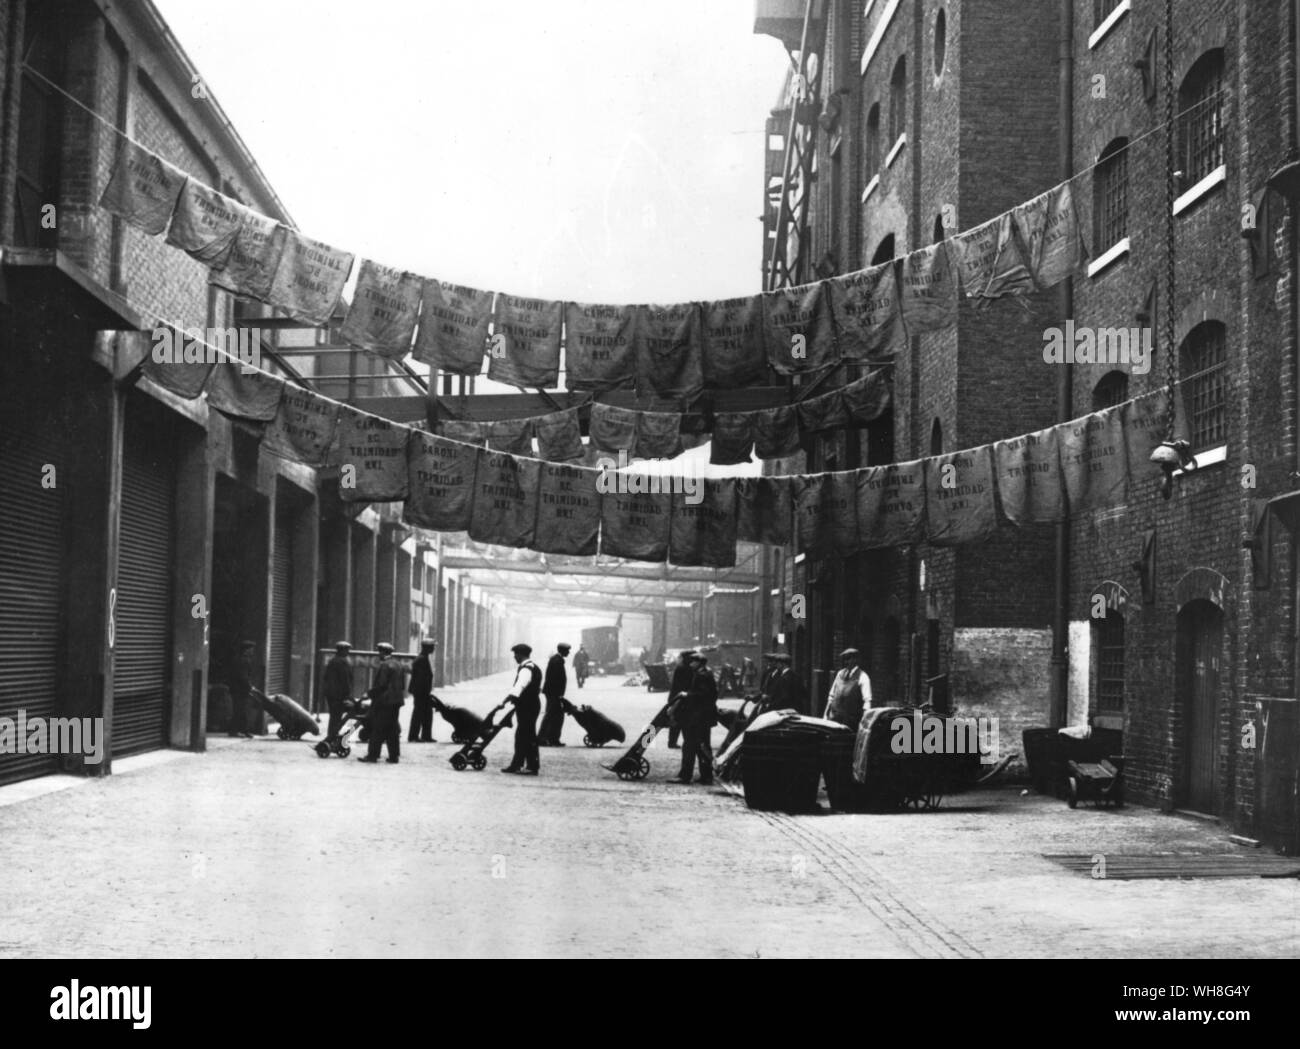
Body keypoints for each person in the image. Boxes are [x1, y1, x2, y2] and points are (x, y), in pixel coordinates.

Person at [670, 652, 717, 785]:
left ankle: (685, 776)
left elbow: (703, 694)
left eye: (693, 662)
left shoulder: (702, 675)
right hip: (704, 717)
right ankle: (706, 776)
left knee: (689, 745)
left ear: (699, 662)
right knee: (703, 746)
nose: (690, 664)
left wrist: (687, 694)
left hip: (698, 717)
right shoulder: (706, 673)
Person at [358, 642, 405, 763]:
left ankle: (373, 755)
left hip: (385, 702)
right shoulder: (398, 664)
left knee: (377, 728)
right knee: (392, 729)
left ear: (384, 652)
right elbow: (402, 685)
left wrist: (368, 694)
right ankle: (394, 756)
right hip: (396, 702)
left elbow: (382, 685)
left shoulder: (384, 666)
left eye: (380, 651)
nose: (379, 654)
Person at [501, 643, 543, 776]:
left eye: (515, 654)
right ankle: (525, 765)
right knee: (527, 735)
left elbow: (520, 686)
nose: (514, 657)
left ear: (521, 654)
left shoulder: (526, 669)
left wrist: (506, 700)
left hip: (527, 706)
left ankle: (524, 765)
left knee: (523, 735)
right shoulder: (534, 667)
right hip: (531, 704)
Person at [824, 648, 873, 729]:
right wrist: (825, 715)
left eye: (848, 659)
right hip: (834, 720)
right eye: (845, 659)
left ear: (855, 660)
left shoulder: (863, 677)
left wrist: (864, 724)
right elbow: (831, 696)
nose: (845, 662)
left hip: (850, 723)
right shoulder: (840, 674)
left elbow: (867, 702)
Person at [538, 642, 570, 746]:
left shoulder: (557, 660)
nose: (569, 652)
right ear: (562, 651)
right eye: (567, 651)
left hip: (553, 693)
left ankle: (552, 739)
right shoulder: (557, 661)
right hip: (554, 693)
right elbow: (555, 680)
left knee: (557, 715)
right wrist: (558, 694)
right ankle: (542, 738)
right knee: (551, 715)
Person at [323, 640, 354, 740]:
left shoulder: (332, 661)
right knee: (337, 718)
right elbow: (345, 680)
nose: (348, 652)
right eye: (347, 650)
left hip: (331, 695)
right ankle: (332, 737)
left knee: (334, 717)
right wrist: (348, 695)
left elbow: (326, 678)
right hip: (339, 696)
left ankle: (330, 737)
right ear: (342, 650)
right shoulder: (343, 662)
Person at [407, 639, 437, 743]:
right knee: (418, 714)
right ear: (427, 647)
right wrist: (423, 693)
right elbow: (420, 679)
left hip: (423, 692)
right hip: (421, 692)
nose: (433, 649)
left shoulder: (423, 658)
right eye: (432, 647)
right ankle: (413, 736)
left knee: (427, 713)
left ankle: (426, 735)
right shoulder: (421, 659)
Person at [666, 649, 695, 750]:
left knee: (676, 720)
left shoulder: (680, 667)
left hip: (675, 696)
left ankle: (672, 742)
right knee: (681, 721)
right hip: (680, 697)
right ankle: (680, 741)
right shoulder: (686, 669)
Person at [228, 640, 257, 738]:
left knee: (239, 710)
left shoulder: (239, 659)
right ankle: (241, 731)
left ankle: (236, 730)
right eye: (251, 649)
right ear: (246, 650)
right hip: (240, 690)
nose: (252, 651)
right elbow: (243, 676)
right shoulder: (243, 661)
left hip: (237, 689)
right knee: (241, 710)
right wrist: (249, 686)